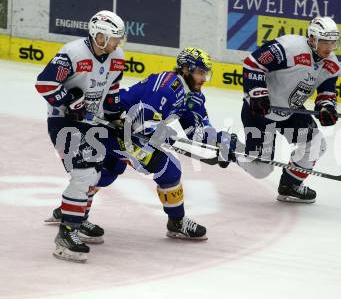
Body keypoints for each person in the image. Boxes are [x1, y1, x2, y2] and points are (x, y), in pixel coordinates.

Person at [44, 47, 237, 262]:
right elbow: (143, 123)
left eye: (205, 73)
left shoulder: (192, 94)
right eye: (200, 72)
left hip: (127, 133)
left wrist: (222, 142)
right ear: (185, 69)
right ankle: (175, 222)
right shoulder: (167, 87)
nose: (203, 79)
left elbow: (198, 129)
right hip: (114, 129)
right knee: (163, 167)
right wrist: (162, 134)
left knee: (110, 170)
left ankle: (71, 212)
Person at [36, 10, 126, 262]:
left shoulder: (117, 56)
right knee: (84, 170)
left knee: (97, 170)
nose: (116, 44)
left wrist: (115, 115)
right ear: (99, 36)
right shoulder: (73, 53)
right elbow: (45, 84)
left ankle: (77, 218)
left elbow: (113, 88)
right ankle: (67, 232)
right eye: (112, 38)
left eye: (118, 39)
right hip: (62, 121)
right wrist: (70, 101)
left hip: (91, 123)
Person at [238, 16, 341, 203]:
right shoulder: (288, 48)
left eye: (333, 43)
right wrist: (257, 94)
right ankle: (230, 146)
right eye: (324, 42)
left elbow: (326, 93)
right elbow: (253, 64)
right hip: (261, 111)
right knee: (260, 170)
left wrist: (327, 108)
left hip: (290, 111)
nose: (328, 48)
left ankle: (290, 185)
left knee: (316, 144)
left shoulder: (332, 65)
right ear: (312, 39)